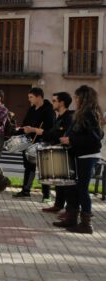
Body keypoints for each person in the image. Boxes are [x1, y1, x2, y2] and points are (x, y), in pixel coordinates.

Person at [53, 85, 103, 234]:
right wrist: (68, 138)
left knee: (82, 189)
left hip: (87, 156)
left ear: (84, 98)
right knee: (73, 187)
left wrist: (71, 140)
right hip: (80, 155)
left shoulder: (89, 114)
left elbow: (95, 139)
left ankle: (86, 225)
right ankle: (72, 218)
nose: (75, 99)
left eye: (77, 97)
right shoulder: (83, 113)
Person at [14, 87, 56, 198]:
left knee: (44, 168)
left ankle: (46, 195)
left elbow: (51, 129)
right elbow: (25, 123)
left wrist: (33, 129)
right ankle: (25, 191)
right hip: (29, 142)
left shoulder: (49, 110)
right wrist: (23, 129)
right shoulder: (32, 109)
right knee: (28, 167)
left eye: (31, 97)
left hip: (43, 142)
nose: (29, 99)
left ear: (39, 97)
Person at [40, 91, 74, 212]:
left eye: (54, 101)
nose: (52, 103)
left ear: (62, 103)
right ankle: (58, 205)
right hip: (57, 150)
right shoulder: (59, 117)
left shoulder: (69, 118)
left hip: (66, 152)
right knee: (59, 181)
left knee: (66, 183)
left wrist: (43, 133)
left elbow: (61, 135)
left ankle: (70, 210)